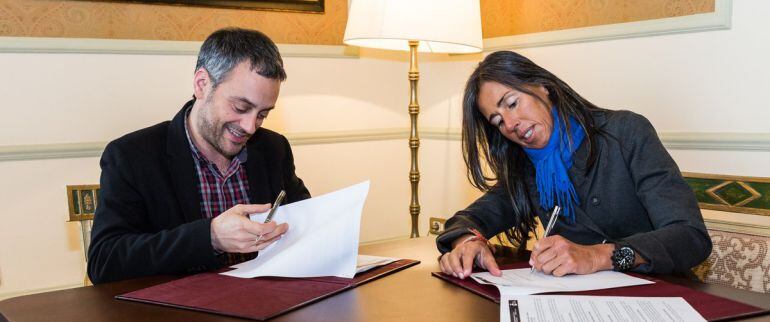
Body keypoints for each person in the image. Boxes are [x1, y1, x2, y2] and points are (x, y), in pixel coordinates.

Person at [437, 51, 711, 279]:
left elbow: (690, 237)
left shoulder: (626, 132)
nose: (510, 124)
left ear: (543, 86)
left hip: (662, 296)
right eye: (497, 121)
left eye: (512, 103)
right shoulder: (527, 169)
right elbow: (468, 220)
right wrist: (468, 242)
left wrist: (596, 256)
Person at [88, 28, 310, 284]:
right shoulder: (132, 156)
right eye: (240, 107)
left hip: (266, 304)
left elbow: (305, 222)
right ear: (202, 84)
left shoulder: (273, 148)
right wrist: (210, 237)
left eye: (262, 114)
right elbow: (105, 261)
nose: (250, 126)